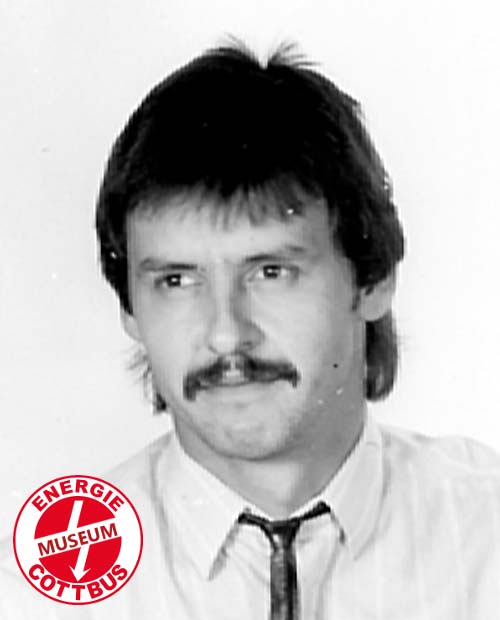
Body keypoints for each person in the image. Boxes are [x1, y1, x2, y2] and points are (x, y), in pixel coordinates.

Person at [2, 41, 500, 619]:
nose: (225, 335)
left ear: (373, 279)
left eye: (270, 272)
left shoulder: (487, 535)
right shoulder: (30, 592)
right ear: (130, 310)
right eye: (176, 281)